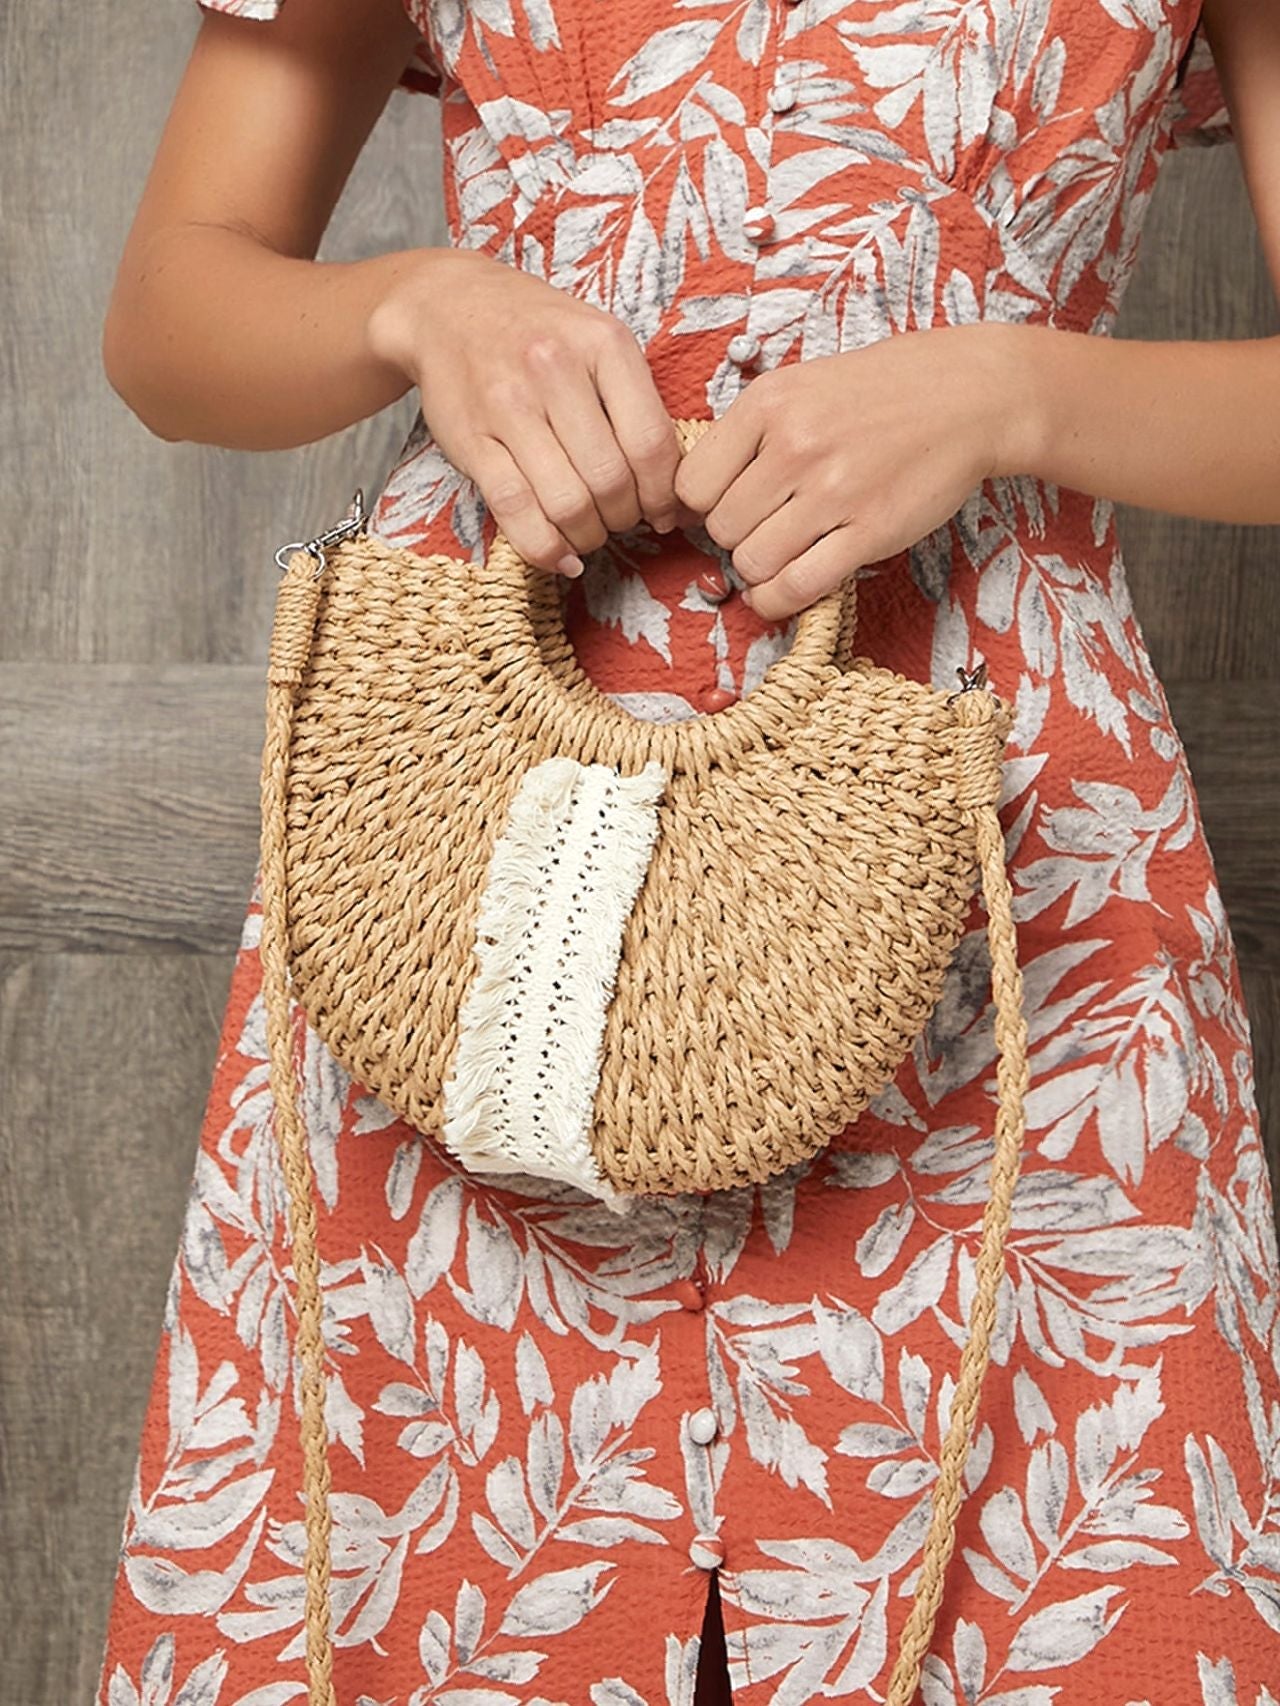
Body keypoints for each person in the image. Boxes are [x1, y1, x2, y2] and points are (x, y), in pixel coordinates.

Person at [96, 0, 1280, 1702]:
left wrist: (1016, 389)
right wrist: (418, 306)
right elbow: (166, 317)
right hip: (464, 881)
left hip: (1012, 883)